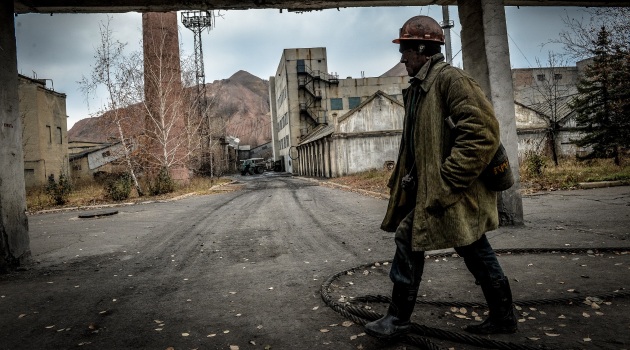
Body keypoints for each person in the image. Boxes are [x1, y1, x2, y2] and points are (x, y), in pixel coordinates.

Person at [364, 15, 517, 340]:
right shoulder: (423, 86)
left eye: (406, 50)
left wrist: (447, 180)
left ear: (422, 48)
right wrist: (410, 178)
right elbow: (426, 142)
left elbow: (482, 134)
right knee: (474, 248)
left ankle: (398, 319)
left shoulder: (452, 81)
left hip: (456, 192)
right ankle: (504, 317)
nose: (402, 58)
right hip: (438, 191)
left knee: (410, 238)